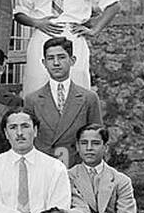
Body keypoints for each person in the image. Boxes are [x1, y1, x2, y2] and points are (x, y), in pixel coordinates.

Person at [23, 36, 105, 167]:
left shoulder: (88, 98)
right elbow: (28, 139)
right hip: (43, 167)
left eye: (61, 57)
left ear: (72, 60)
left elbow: (97, 138)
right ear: (44, 63)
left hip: (76, 166)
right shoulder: (32, 100)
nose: (56, 63)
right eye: (50, 58)